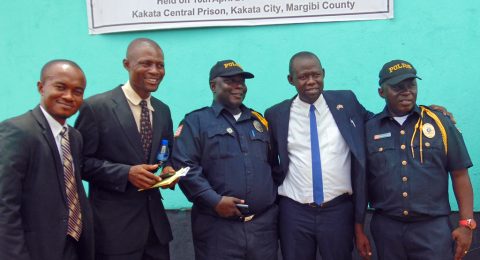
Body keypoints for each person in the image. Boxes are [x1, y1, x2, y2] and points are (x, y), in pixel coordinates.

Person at [361, 59, 474, 260]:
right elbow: (360, 182)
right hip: (387, 229)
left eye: (411, 85)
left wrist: (466, 223)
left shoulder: (440, 124)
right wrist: (359, 227)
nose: (406, 91)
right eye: (397, 87)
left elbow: (460, 174)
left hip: (432, 229)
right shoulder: (369, 129)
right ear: (381, 92)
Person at [265, 51, 372, 260]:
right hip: (294, 212)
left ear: (323, 73)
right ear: (291, 80)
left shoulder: (346, 102)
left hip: (338, 210)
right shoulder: (276, 114)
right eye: (303, 77)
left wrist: (422, 113)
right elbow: (269, 159)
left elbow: (377, 123)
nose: (311, 81)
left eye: (316, 75)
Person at [74, 38, 175, 260]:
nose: (155, 71)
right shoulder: (97, 107)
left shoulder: (163, 110)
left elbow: (166, 154)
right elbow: (79, 163)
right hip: (114, 232)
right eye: (146, 63)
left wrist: (168, 170)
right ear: (126, 64)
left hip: (155, 231)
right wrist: (126, 173)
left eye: (160, 65)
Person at [172, 60, 278, 260]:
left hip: (262, 229)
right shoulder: (196, 122)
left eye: (241, 81)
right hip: (217, 230)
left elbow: (272, 165)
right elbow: (184, 167)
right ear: (213, 85)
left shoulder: (259, 122)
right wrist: (214, 200)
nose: (239, 86)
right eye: (230, 81)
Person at [0, 60, 94, 260]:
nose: (68, 96)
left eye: (77, 91)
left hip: (73, 246)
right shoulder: (18, 131)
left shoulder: (74, 137)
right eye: (60, 87)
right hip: (36, 250)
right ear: (41, 88)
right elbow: (5, 205)